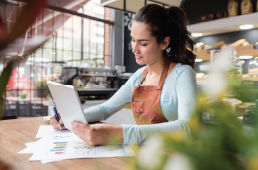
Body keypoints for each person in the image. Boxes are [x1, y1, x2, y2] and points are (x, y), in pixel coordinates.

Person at [50, 4, 197, 146]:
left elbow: (188, 128)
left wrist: (118, 133)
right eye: (133, 40)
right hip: (146, 156)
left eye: (143, 43)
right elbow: (106, 109)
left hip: (175, 156)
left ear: (164, 43)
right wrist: (70, 118)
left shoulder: (182, 74)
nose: (134, 49)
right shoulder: (139, 76)